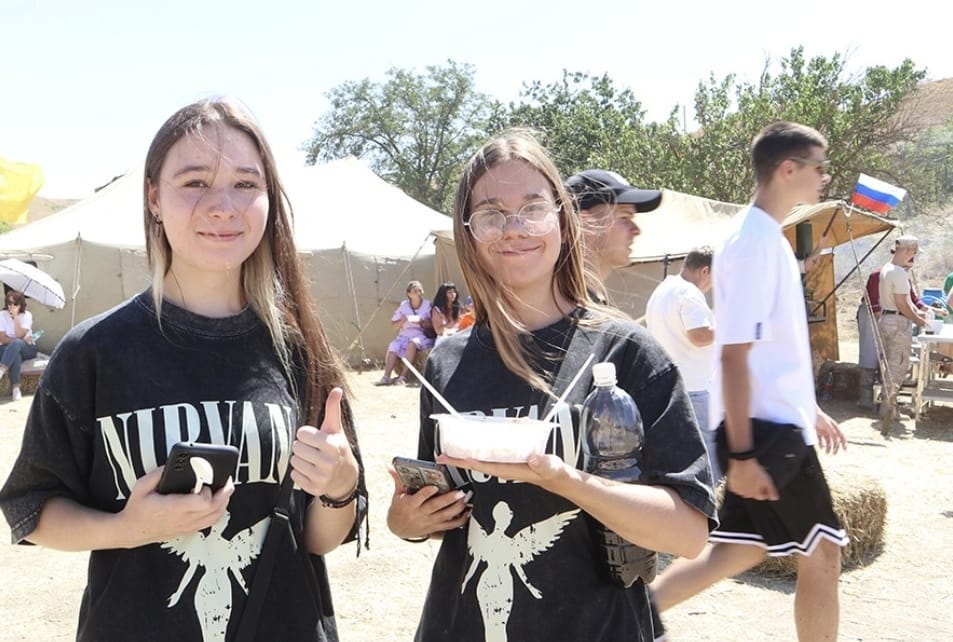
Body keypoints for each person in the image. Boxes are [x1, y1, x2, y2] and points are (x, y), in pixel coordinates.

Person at [0, 98, 367, 642]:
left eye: (245, 184)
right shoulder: (94, 351)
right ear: (154, 197)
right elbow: (33, 511)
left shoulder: (299, 350)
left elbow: (315, 540)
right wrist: (127, 528)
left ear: (268, 198)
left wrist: (340, 485)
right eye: (195, 182)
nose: (223, 205)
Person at [386, 129, 716, 641]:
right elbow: (442, 516)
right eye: (492, 214)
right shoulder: (447, 362)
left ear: (562, 218)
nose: (513, 229)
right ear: (469, 232)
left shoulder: (628, 353)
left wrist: (562, 479)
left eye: (533, 208)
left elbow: (690, 532)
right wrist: (407, 521)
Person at [651, 121, 848, 642]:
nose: (824, 178)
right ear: (788, 169)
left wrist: (812, 409)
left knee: (739, 550)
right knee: (823, 552)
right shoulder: (754, 243)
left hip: (770, 422)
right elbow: (733, 355)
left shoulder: (763, 239)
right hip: (764, 431)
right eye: (818, 167)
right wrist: (739, 455)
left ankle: (630, 618)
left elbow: (766, 353)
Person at [644, 246, 719, 481]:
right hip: (694, 387)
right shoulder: (689, 293)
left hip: (672, 383)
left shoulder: (664, 289)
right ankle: (715, 503)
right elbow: (698, 335)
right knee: (711, 451)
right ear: (705, 270)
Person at [565, 168, 662, 303]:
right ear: (585, 223)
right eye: (624, 217)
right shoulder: (563, 313)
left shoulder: (573, 307)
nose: (636, 230)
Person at [877, 235, 928, 431]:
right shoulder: (897, 273)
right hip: (898, 322)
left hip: (888, 319)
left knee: (891, 364)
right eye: (913, 253)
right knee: (897, 365)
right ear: (907, 251)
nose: (914, 257)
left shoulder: (887, 269)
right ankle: (888, 409)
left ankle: (890, 406)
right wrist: (919, 320)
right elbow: (903, 303)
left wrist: (918, 314)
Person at [379, 280, 435, 385]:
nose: (418, 293)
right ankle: (386, 376)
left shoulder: (428, 305)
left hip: (421, 334)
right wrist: (403, 320)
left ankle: (403, 376)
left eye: (420, 290)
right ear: (409, 294)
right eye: (415, 291)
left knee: (412, 344)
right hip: (405, 334)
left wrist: (421, 321)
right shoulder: (404, 306)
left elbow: (433, 324)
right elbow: (394, 326)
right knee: (394, 346)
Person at [0, 290, 40, 401]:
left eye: (15, 304)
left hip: (28, 348)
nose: (11, 306)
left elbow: (19, 334)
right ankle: (16, 389)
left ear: (21, 304)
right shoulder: (2, 315)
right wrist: (19, 340)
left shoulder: (27, 315)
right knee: (15, 352)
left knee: (17, 343)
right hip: (7, 347)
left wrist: (16, 317)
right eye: (9, 303)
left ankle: (1, 370)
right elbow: (2, 337)